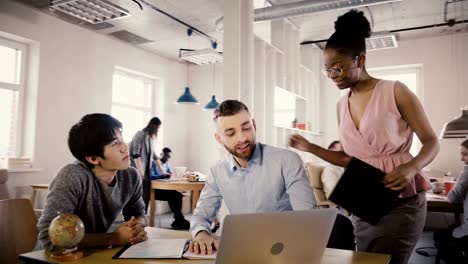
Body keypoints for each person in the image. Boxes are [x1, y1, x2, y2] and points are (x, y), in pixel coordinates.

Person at [288, 10, 439, 264]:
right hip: (361, 198)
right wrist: (310, 147)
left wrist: (412, 167)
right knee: (364, 261)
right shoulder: (341, 105)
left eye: (339, 68)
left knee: (389, 261)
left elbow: (431, 141)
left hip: (399, 198)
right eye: (328, 70)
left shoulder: (395, 91)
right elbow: (348, 159)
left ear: (360, 60)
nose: (334, 76)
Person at [189, 100, 316, 255]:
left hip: (284, 250)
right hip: (242, 250)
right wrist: (201, 233)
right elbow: (201, 215)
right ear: (219, 139)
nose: (242, 138)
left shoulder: (287, 160)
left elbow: (309, 219)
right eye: (230, 133)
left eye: (246, 128)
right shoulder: (217, 172)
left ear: (254, 125)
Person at [37, 114, 146, 250]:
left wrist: (136, 228)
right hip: (55, 258)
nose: (125, 147)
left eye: (121, 138)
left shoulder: (131, 176)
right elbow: (50, 238)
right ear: (93, 158)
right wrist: (113, 238)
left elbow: (139, 214)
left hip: (93, 253)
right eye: (114, 143)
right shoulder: (72, 176)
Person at [129, 117, 168, 211]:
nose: (158, 130)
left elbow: (154, 156)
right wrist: (140, 171)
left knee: (145, 197)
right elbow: (136, 154)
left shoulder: (149, 138)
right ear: (154, 125)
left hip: (145, 172)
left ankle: (142, 217)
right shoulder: (139, 134)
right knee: (136, 197)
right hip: (136, 171)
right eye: (158, 128)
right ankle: (133, 219)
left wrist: (163, 171)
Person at [150, 147, 190, 230]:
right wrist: (163, 175)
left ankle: (178, 219)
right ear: (161, 154)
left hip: (165, 189)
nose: (167, 158)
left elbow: (171, 174)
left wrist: (177, 175)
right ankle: (179, 220)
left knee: (177, 194)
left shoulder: (166, 165)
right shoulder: (153, 163)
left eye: (169, 157)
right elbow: (151, 176)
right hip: (155, 190)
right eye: (166, 156)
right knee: (175, 195)